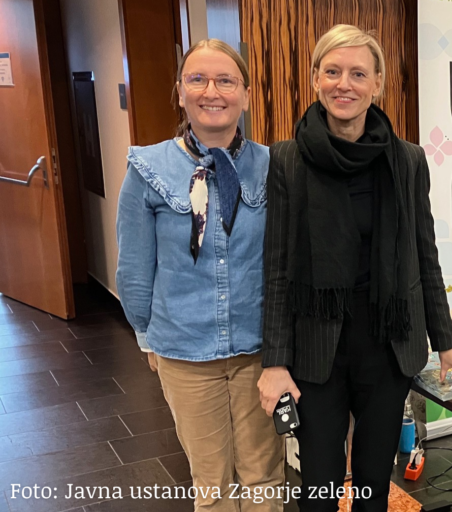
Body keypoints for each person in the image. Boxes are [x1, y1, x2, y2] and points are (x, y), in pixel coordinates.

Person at [256, 25, 452, 512]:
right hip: (317, 347)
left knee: (374, 485)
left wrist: (446, 342)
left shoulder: (407, 160)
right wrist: (275, 361)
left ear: (377, 83)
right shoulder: (288, 159)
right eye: (332, 72)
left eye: (358, 73)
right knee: (319, 487)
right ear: (315, 78)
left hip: (386, 342)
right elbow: (277, 267)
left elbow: (424, 255)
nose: (344, 84)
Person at [116, 39, 284, 511]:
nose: (212, 91)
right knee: (211, 485)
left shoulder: (273, 166)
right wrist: (147, 336)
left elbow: (286, 262)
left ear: (245, 94)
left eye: (226, 80)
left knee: (264, 477)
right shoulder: (147, 169)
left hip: (259, 352)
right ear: (180, 92)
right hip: (185, 352)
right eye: (198, 79)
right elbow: (134, 268)